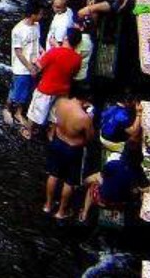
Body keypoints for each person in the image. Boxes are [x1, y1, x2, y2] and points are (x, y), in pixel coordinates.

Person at [44, 84, 94, 219]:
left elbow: (55, 120)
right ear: (87, 98)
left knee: (53, 174)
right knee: (70, 181)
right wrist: (90, 114)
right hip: (73, 148)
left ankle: (47, 205)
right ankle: (61, 211)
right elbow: (90, 137)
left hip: (58, 142)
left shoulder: (61, 103)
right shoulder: (84, 118)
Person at [23, 29, 83, 140]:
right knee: (55, 115)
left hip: (46, 88)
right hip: (63, 90)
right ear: (78, 43)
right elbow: (74, 74)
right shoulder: (78, 59)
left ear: (65, 38)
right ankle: (51, 134)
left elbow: (39, 67)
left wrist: (35, 60)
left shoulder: (54, 52)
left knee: (35, 112)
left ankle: (29, 131)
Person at [79, 142, 147, 223]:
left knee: (92, 185)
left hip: (102, 199)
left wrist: (84, 183)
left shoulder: (113, 164)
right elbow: (145, 189)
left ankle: (85, 212)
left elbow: (96, 177)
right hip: (124, 201)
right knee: (135, 191)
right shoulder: (138, 172)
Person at [6, 0, 44, 126]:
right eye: (39, 14)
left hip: (34, 63)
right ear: (32, 14)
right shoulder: (18, 30)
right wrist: (30, 68)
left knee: (25, 90)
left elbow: (37, 43)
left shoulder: (37, 25)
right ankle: (16, 112)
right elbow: (18, 52)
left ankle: (12, 108)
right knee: (20, 91)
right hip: (22, 67)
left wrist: (42, 53)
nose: (41, 16)